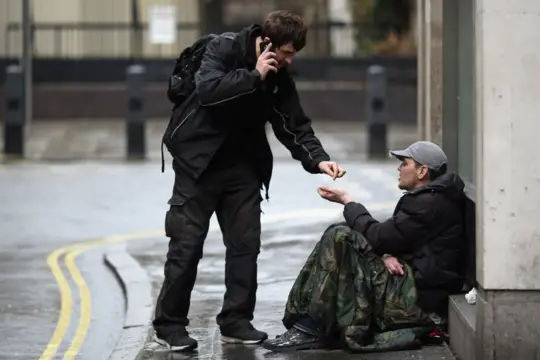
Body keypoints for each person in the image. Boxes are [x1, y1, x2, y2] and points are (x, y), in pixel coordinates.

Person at [153, 10, 346, 352]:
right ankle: (170, 326)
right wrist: (253, 75)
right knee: (186, 246)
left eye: (293, 54)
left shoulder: (279, 77)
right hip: (199, 164)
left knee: (245, 245)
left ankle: (236, 320)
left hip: (243, 167)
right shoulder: (223, 49)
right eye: (285, 53)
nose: (288, 60)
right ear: (267, 42)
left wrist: (319, 159)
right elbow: (208, 90)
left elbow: (294, 125)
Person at [262, 141, 467, 353]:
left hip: (416, 297)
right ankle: (308, 323)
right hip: (414, 282)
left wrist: (347, 201)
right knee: (342, 233)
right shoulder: (434, 198)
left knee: (341, 237)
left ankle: (310, 326)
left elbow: (379, 237)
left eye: (404, 164)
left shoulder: (428, 203)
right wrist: (387, 253)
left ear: (422, 171)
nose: (398, 169)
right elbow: (396, 238)